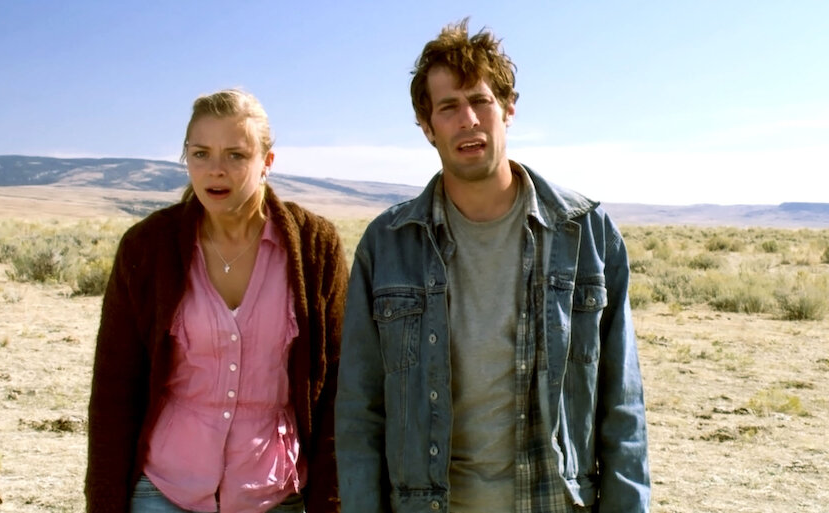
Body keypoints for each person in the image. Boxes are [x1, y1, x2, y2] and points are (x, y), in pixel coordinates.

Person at [335, 19, 650, 513]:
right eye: (448, 107)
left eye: (480, 101)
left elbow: (622, 403)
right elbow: (360, 411)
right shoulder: (388, 244)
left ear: (508, 109)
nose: (468, 120)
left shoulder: (584, 233)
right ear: (427, 126)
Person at [85, 89, 347, 513]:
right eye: (200, 154)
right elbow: (114, 389)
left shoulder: (314, 247)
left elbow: (337, 388)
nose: (215, 170)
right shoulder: (147, 247)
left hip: (275, 494)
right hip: (163, 491)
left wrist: (330, 503)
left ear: (267, 161)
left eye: (236, 155)